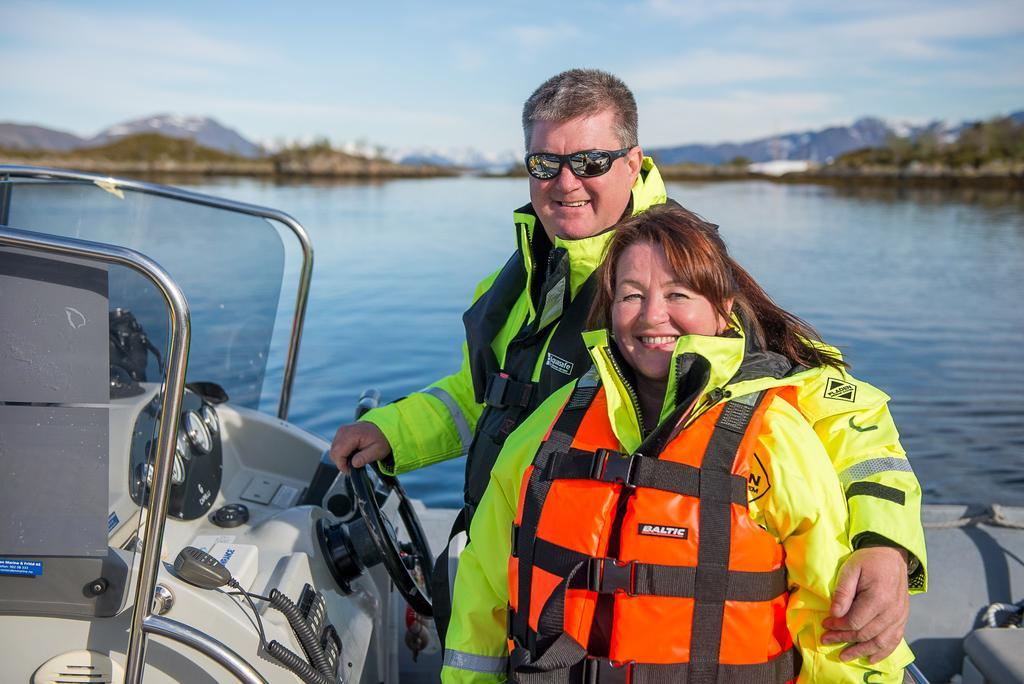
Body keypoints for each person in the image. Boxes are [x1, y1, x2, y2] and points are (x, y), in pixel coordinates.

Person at [330, 69, 926, 660]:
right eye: (545, 164)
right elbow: (485, 396)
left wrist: (884, 544)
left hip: (616, 597)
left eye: (589, 161)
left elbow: (841, 413)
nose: (566, 183)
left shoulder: (686, 285)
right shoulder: (515, 285)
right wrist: (391, 431)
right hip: (518, 568)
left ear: (634, 161)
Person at [442, 205, 918, 683]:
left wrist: (885, 545)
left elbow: (833, 626)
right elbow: (484, 579)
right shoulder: (550, 425)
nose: (652, 316)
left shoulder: (775, 435)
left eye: (678, 294)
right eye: (631, 296)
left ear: (723, 309)